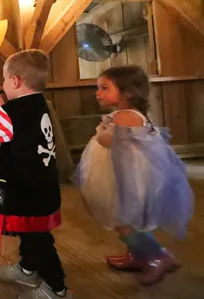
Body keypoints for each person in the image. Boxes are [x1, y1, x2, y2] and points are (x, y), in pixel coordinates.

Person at [75, 65, 193, 285]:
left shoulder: (126, 116)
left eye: (104, 88)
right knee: (123, 217)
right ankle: (138, 255)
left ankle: (156, 257)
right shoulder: (123, 114)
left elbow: (109, 141)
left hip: (128, 177)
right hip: (120, 171)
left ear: (127, 93)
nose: (97, 93)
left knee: (124, 219)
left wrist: (100, 131)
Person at [0, 49, 72, 299]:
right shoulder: (38, 104)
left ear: (15, 81)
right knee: (31, 231)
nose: (3, 85)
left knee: (38, 239)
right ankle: (28, 270)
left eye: (5, 80)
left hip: (26, 189)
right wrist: (1, 109)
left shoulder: (14, 112)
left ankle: (57, 290)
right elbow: (17, 131)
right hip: (42, 186)